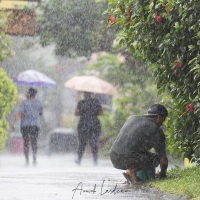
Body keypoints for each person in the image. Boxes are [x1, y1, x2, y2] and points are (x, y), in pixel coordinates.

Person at [110, 104, 168, 184]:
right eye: (163, 119)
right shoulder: (156, 130)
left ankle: (131, 172)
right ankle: (132, 173)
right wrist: (163, 175)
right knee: (155, 159)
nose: (162, 123)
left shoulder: (133, 118)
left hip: (114, 156)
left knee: (142, 153)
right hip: (128, 159)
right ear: (158, 117)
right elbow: (163, 159)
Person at [12, 87, 43, 166]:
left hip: (25, 125)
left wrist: (14, 123)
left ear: (28, 94)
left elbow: (19, 113)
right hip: (35, 125)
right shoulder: (38, 103)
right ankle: (34, 158)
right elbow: (41, 113)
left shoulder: (24, 103)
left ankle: (27, 160)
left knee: (26, 142)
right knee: (34, 141)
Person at [75, 92, 103, 166]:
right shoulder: (96, 102)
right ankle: (95, 160)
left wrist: (82, 111)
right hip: (94, 124)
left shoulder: (81, 103)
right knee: (93, 143)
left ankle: (79, 159)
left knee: (82, 143)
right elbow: (101, 113)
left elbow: (76, 113)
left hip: (83, 124)